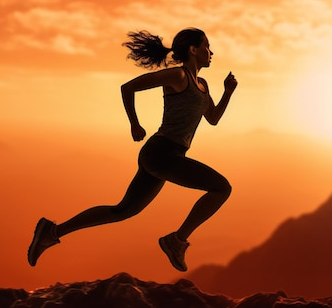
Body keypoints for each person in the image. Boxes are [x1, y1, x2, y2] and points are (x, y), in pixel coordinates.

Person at [27, 27, 237, 272]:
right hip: (162, 153)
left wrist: (228, 92)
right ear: (193, 49)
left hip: (168, 156)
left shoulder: (202, 85)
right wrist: (134, 124)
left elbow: (212, 118)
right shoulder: (178, 77)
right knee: (221, 187)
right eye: (207, 46)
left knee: (123, 210)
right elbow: (128, 88)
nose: (211, 52)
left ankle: (52, 231)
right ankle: (176, 241)